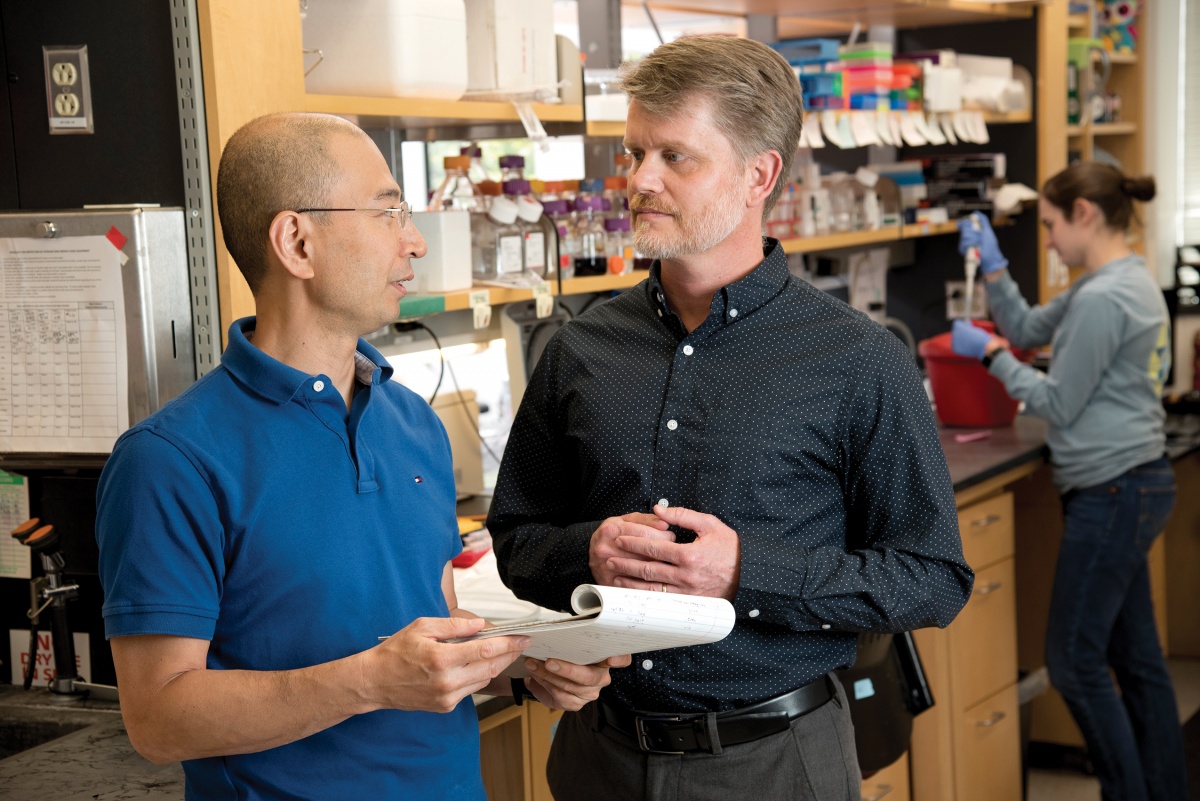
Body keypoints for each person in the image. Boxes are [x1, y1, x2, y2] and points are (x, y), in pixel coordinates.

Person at [486, 35, 974, 801]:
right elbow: (516, 539)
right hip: (597, 757)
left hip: (775, 760)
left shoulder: (857, 359)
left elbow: (933, 578)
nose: (640, 180)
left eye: (675, 157)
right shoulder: (578, 349)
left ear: (760, 175)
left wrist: (745, 570)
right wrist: (590, 550)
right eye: (634, 152)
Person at [94, 112, 626, 801]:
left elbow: (426, 635)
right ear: (297, 241)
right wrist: (369, 680)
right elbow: (159, 719)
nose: (413, 243)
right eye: (388, 213)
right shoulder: (169, 461)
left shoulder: (412, 421)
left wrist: (521, 668)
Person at [951, 163, 1188, 801]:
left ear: (1084, 212)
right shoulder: (1118, 280)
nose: (1049, 240)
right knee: (1136, 662)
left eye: (1052, 225)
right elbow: (1030, 328)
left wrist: (991, 355)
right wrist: (995, 272)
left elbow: (1057, 401)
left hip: (1112, 491)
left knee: (1075, 664)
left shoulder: (1105, 297)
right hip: (1133, 483)